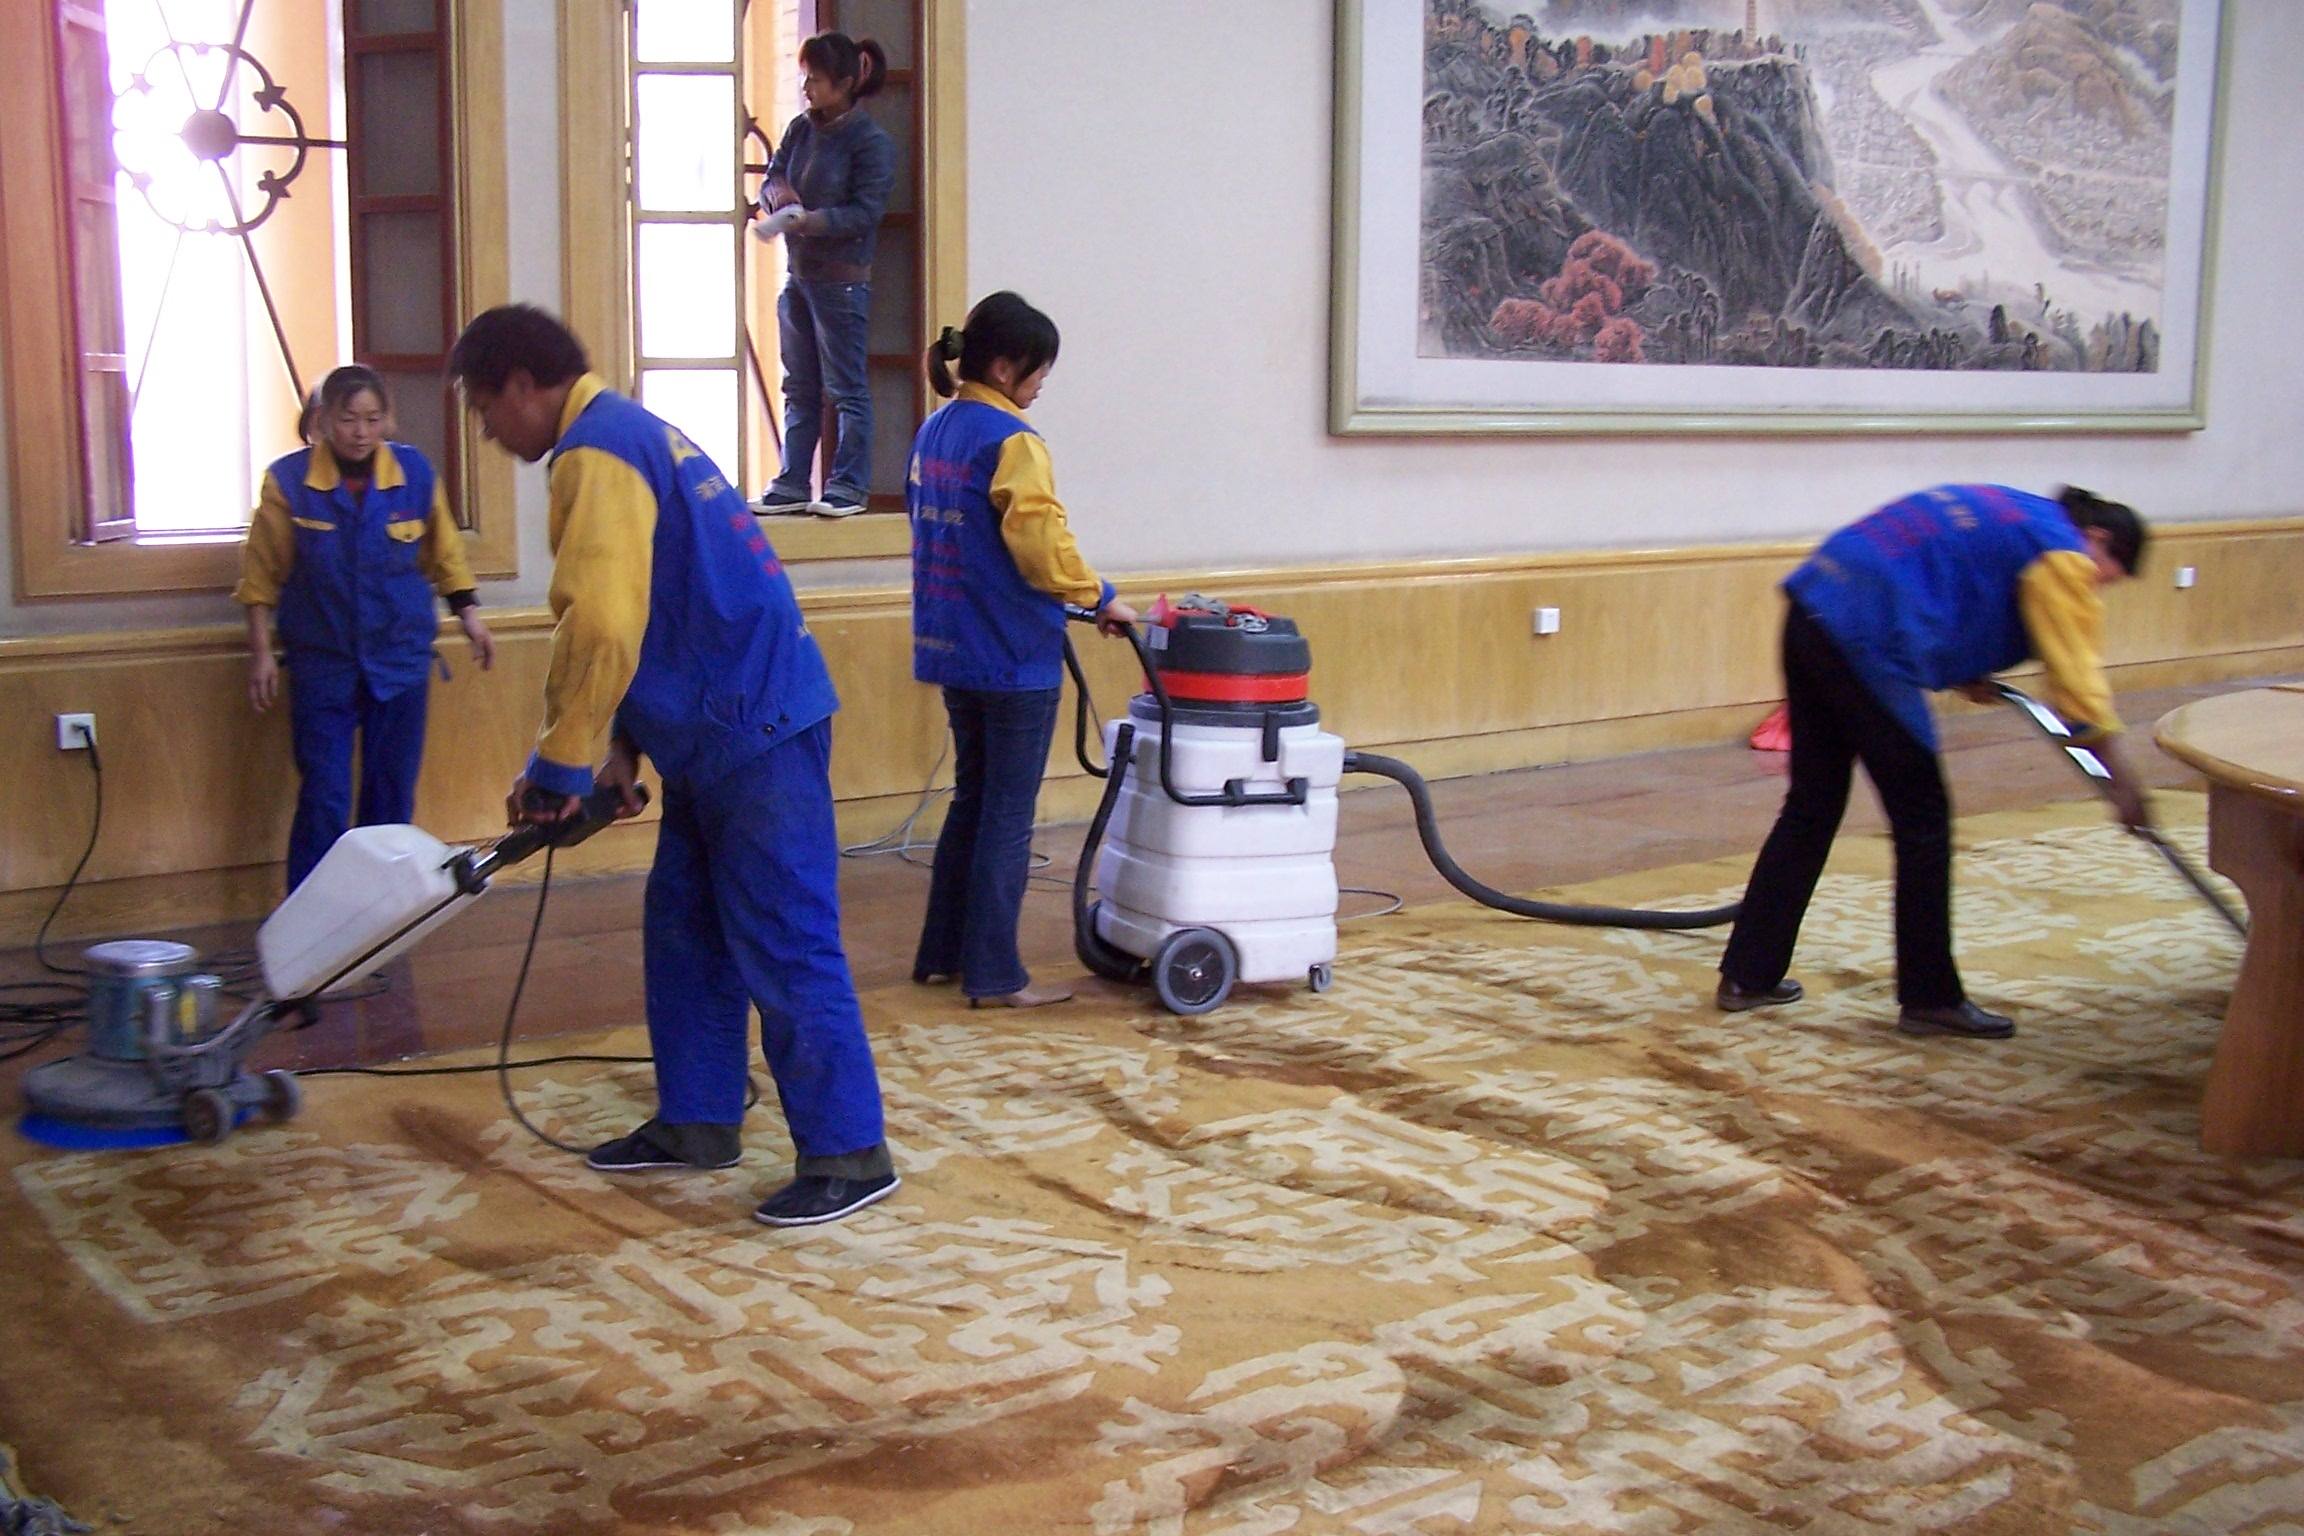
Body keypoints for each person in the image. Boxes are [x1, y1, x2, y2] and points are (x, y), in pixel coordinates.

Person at [448, 303, 897, 1228]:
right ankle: (699, 1119)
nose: (488, 433)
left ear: (523, 386)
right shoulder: (633, 432)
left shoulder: (597, 452)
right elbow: (659, 606)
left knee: (784, 936)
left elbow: (603, 623)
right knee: (686, 927)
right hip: (716, 724)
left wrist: (558, 769)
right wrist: (621, 748)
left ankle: (851, 1153)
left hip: (754, 724)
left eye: (486, 410)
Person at [1716, 484, 2151, 1039]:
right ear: (2098, 537)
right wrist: (2122, 782)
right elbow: (2076, 682)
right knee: (1922, 819)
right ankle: (1930, 998)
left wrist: (1962, 668)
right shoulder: (2062, 552)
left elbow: (1951, 579)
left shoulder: (2023, 514)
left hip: (1815, 610)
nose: (2097, 586)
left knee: (1812, 805)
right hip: (1869, 640)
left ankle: (1748, 976)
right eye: (2107, 575)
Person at [907, 291, 1136, 1008]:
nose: (1041, 385)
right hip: (1011, 655)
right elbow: (1039, 544)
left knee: (971, 801)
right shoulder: (1013, 441)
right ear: (1006, 368)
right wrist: (1100, 595)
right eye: (1039, 371)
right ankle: (996, 976)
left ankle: (943, 955)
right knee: (1007, 815)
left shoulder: (936, 431)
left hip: (953, 644)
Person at [235, 365, 495, 892]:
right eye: (348, 419)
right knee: (324, 796)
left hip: (400, 661)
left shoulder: (414, 473)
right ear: (323, 420)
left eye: (373, 419)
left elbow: (446, 554)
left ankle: (380, 911)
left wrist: (470, 617)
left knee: (391, 796)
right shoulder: (287, 482)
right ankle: (312, 915)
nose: (360, 431)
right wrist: (261, 654)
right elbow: (260, 577)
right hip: (323, 664)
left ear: (388, 420)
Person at [751, 31, 896, 519]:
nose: (806, 87)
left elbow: (865, 214)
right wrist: (780, 199)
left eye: (815, 78)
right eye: (805, 77)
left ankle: (849, 486)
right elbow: (772, 176)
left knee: (847, 389)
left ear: (844, 83)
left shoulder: (871, 142)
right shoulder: (800, 129)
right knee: (799, 385)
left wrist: (809, 221)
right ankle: (793, 481)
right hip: (799, 276)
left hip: (842, 281)